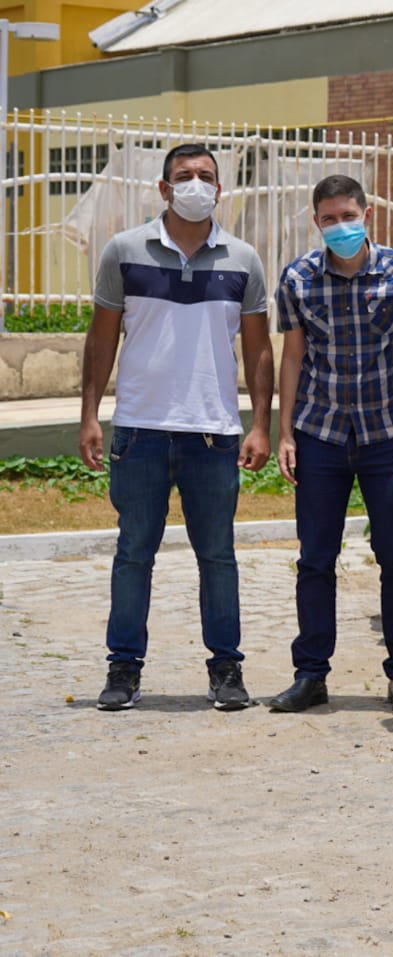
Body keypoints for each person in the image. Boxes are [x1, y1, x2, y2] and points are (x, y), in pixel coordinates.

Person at [78, 142, 274, 712]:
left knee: (218, 555)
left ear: (220, 189)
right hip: (138, 430)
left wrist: (260, 424)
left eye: (205, 176)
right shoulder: (124, 250)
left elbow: (260, 350)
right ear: (163, 189)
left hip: (214, 433)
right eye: (183, 176)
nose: (195, 184)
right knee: (134, 552)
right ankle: (123, 668)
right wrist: (90, 414)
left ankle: (226, 669)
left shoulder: (243, 259)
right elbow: (101, 338)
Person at [264, 175, 393, 715]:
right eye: (329, 218)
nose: (340, 226)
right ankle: (310, 673)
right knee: (315, 560)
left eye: (348, 215)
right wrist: (284, 430)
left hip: (388, 436)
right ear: (317, 222)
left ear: (367, 215)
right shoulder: (297, 278)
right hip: (322, 434)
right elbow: (292, 356)